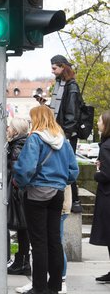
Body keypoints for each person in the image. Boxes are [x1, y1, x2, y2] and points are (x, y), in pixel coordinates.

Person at [13, 105, 79, 294]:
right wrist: (59, 181)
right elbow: (73, 170)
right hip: (57, 193)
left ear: (37, 118)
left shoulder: (35, 139)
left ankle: (39, 287)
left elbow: (26, 169)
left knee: (39, 242)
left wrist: (20, 183)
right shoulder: (62, 140)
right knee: (54, 240)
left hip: (36, 193)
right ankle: (55, 286)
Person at [49, 55, 83, 213]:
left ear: (63, 67)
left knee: (67, 165)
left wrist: (65, 136)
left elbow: (71, 114)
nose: (52, 70)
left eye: (54, 67)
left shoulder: (71, 86)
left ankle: (75, 201)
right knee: (65, 164)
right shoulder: (60, 84)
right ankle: (72, 200)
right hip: (61, 131)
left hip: (66, 133)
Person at [6, 117, 31, 277]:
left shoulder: (17, 146)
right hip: (22, 191)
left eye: (10, 127)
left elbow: (16, 170)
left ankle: (22, 262)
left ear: (15, 131)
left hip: (18, 192)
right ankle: (22, 261)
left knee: (23, 228)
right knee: (23, 229)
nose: (7, 129)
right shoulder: (23, 144)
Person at [90, 110, 110, 283]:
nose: (97, 124)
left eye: (99, 121)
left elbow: (105, 175)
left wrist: (97, 172)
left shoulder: (106, 146)